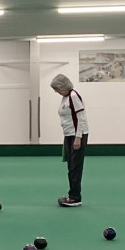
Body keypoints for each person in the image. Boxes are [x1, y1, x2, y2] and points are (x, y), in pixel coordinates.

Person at [51, 74, 89, 207]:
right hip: (68, 135)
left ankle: (75, 198)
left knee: (75, 167)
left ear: (63, 86)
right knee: (71, 167)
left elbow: (81, 118)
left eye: (57, 89)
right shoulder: (65, 98)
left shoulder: (73, 96)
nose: (56, 92)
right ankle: (72, 194)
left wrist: (78, 137)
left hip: (76, 136)